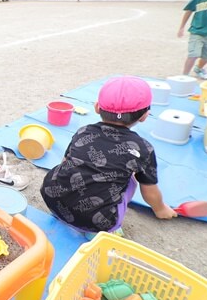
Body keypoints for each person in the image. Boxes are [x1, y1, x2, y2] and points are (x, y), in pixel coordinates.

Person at [40, 76, 177, 239]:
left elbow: (64, 163)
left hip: (53, 200)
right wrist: (161, 209)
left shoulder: (84, 131)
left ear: (97, 107)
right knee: (131, 180)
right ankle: (103, 233)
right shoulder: (142, 148)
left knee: (69, 165)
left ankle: (65, 215)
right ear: (145, 115)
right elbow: (150, 192)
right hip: (96, 222)